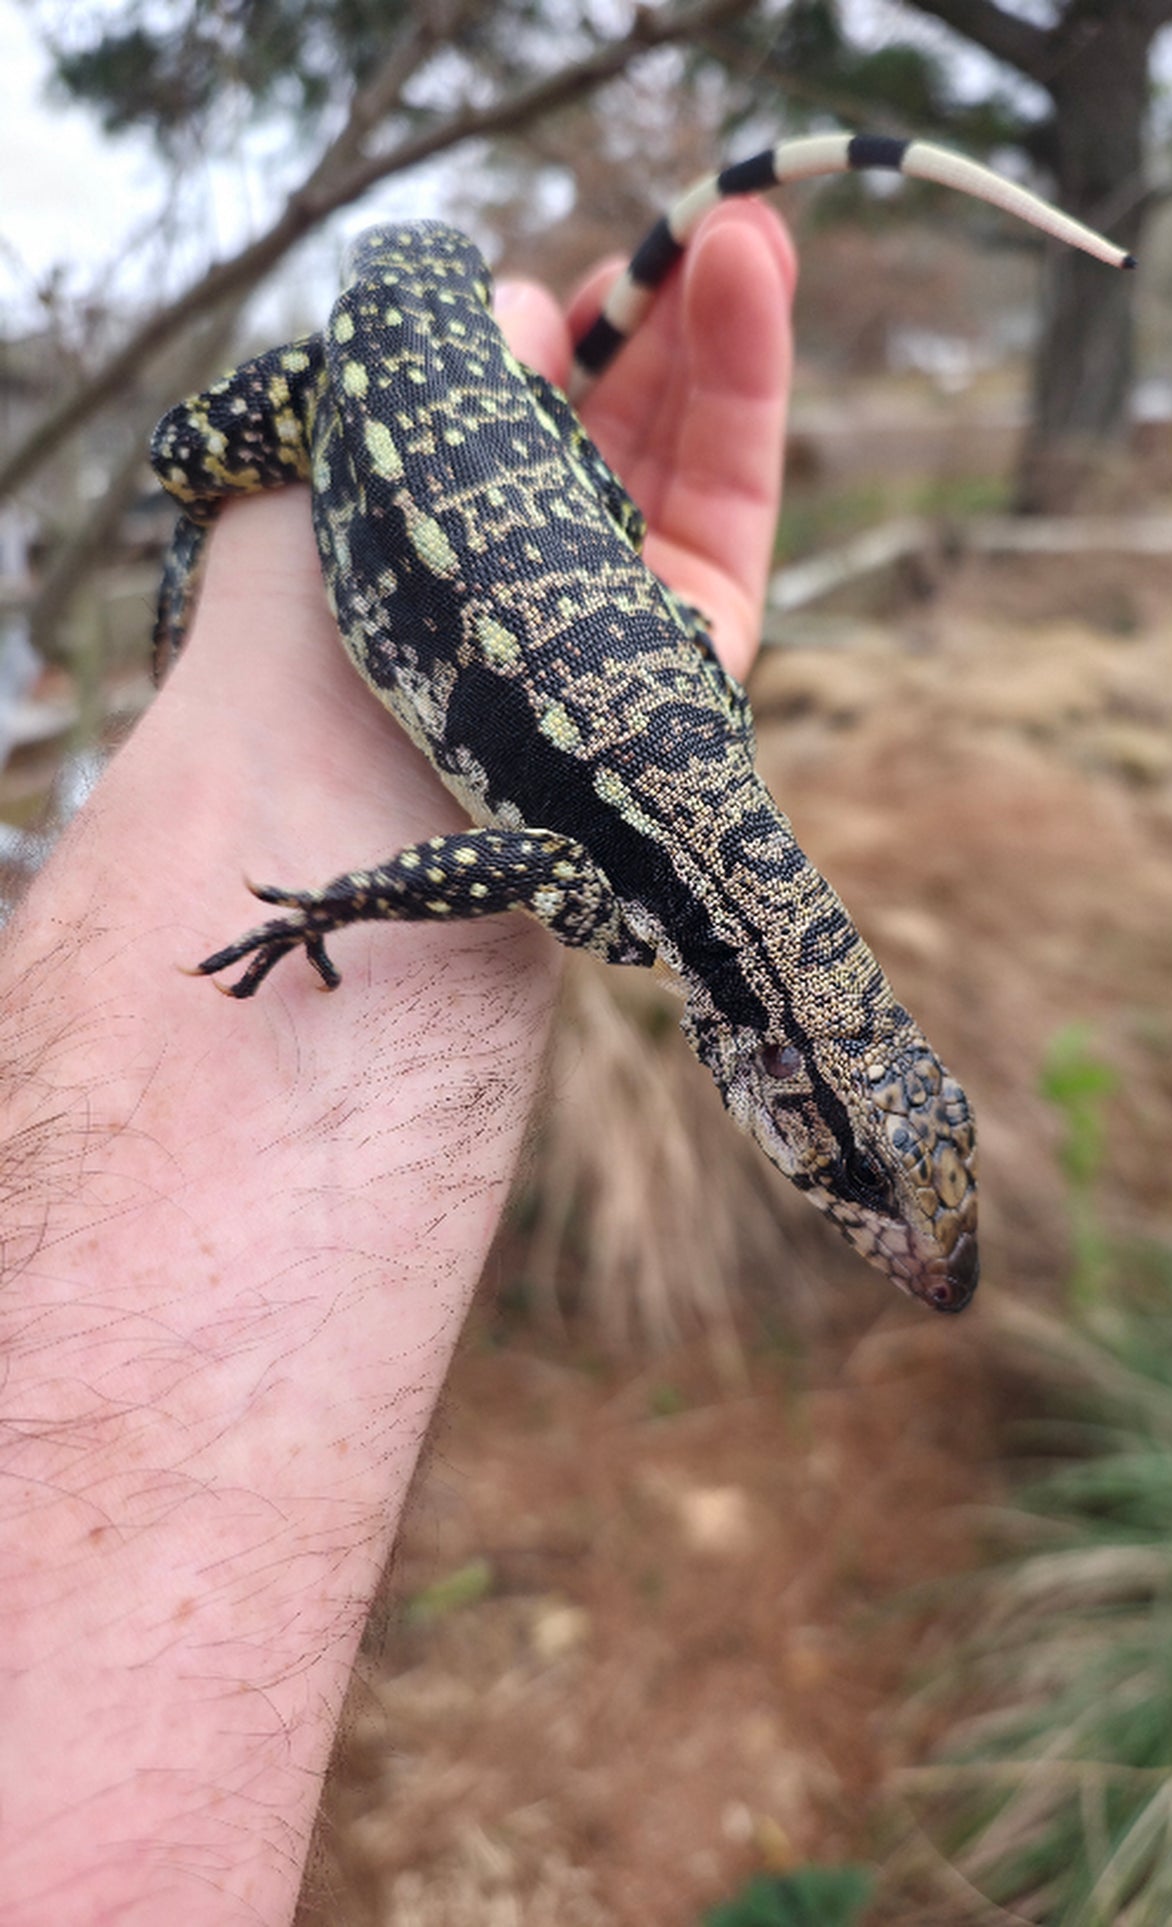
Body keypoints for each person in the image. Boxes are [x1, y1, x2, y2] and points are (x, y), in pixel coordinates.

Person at [0, 200, 795, 1925]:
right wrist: (327, 890)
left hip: (482, 464)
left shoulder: (671, 891)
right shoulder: (631, 893)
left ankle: (563, 364)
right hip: (390, 385)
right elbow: (511, 860)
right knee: (182, 451)